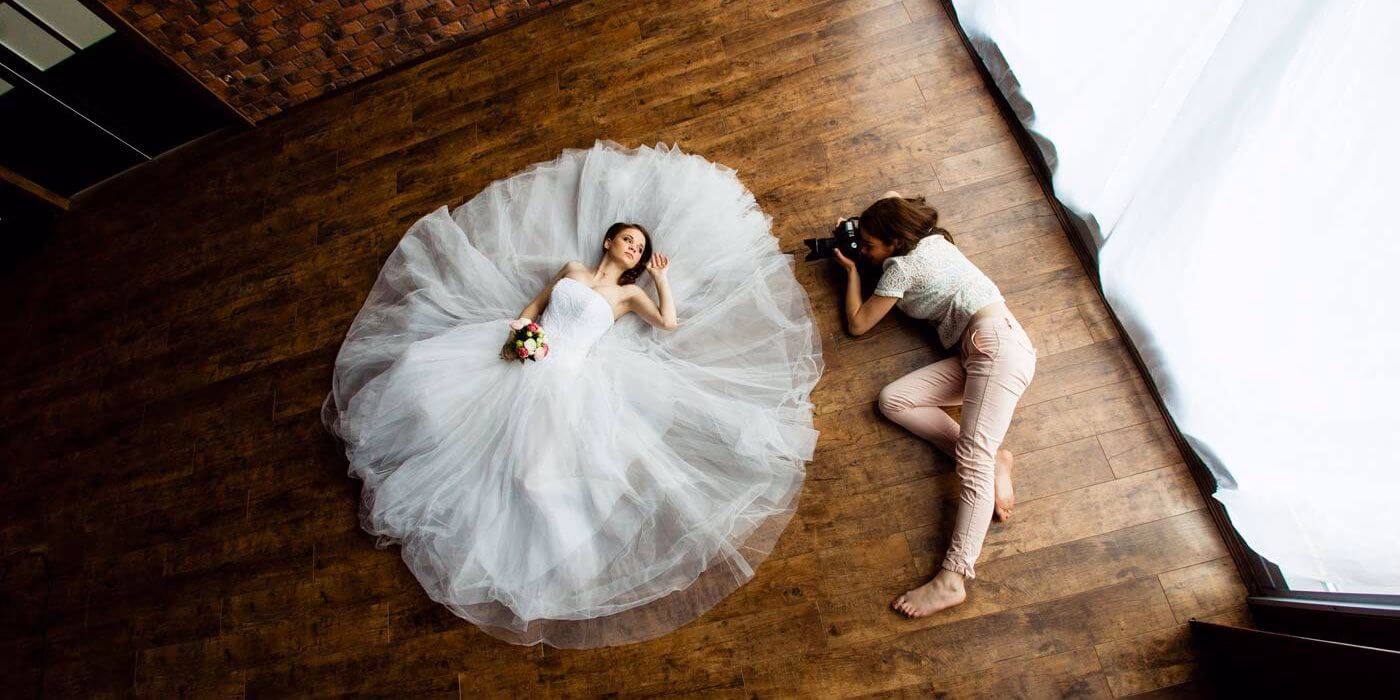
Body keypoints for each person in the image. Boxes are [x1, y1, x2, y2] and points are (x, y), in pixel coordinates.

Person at [321, 141, 823, 648]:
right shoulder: (571, 270)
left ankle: (512, 548)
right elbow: (533, 306)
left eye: (640, 248)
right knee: (443, 401)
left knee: (532, 468)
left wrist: (661, 278)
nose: (635, 250)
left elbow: (669, 323)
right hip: (525, 353)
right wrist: (521, 333)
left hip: (564, 378)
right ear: (609, 241)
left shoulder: (629, 294)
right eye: (629, 241)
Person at [832, 192, 1037, 618]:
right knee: (894, 400)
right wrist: (865, 227)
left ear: (895, 241)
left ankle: (953, 578)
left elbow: (857, 324)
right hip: (982, 349)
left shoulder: (901, 268)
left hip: (996, 350)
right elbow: (892, 197)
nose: (865, 251)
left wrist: (851, 271)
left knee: (972, 460)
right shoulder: (931, 238)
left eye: (870, 244)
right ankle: (994, 461)